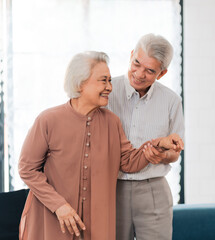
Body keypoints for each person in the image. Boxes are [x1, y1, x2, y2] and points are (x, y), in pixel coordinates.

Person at [18, 51, 184, 240]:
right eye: (103, 81)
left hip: (96, 225)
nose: (109, 88)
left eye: (110, 81)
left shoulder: (111, 122)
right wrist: (59, 206)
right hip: (53, 220)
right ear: (81, 83)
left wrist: (159, 144)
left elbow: (128, 161)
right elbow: (27, 169)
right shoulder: (48, 120)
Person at [107, 33, 185, 240]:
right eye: (136, 63)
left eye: (150, 70)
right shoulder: (106, 92)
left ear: (162, 73)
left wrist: (163, 156)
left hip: (153, 190)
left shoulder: (171, 101)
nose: (139, 74)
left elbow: (175, 153)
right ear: (131, 55)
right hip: (112, 188)